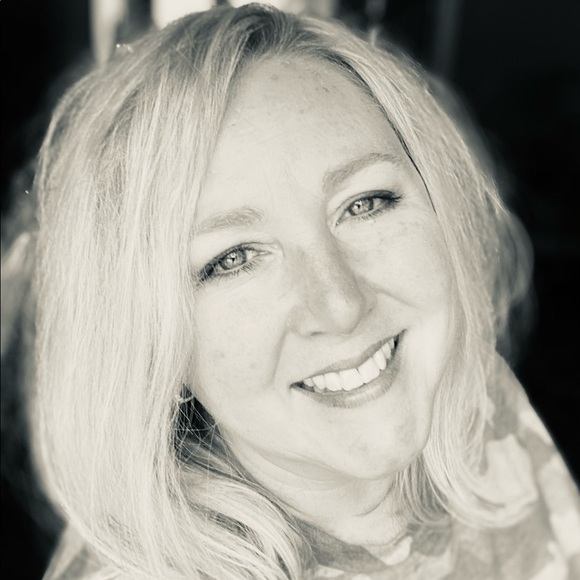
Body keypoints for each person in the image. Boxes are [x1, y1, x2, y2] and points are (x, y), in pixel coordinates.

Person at [2, 3, 579, 579]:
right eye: (234, 259)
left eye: (364, 203)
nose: (341, 306)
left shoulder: (476, 396)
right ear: (148, 339)